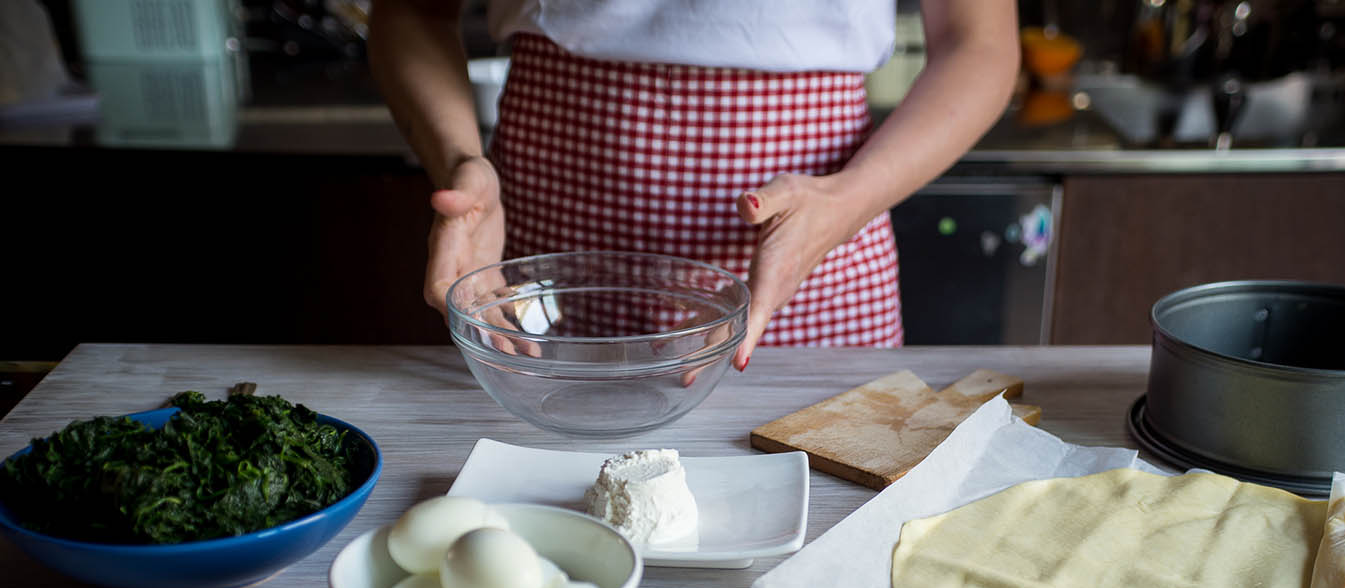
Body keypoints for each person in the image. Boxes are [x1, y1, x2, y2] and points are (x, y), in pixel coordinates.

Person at [368, 0, 1020, 371]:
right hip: (544, 255)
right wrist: (460, 159)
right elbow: (412, 12)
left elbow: (980, 43)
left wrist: (847, 201)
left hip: (814, 250)